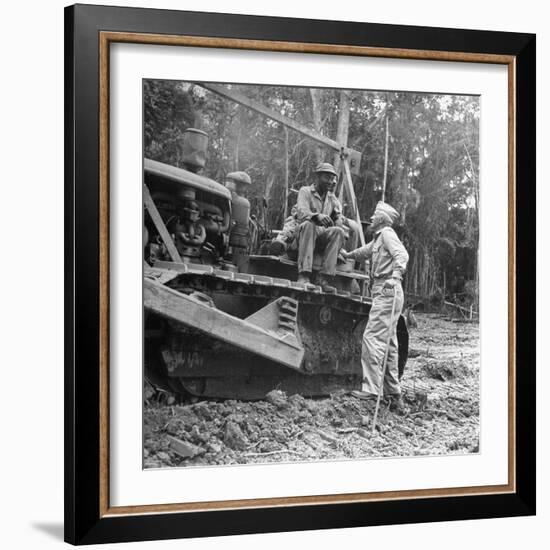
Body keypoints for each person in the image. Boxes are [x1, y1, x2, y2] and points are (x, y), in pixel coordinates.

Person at [341, 201, 409, 414]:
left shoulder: (387, 234)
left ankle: (371, 389)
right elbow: (366, 251)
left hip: (387, 288)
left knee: (372, 338)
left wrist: (395, 276)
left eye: (373, 216)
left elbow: (402, 255)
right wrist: (349, 255)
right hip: (386, 290)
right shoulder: (379, 238)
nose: (370, 219)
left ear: (381, 219)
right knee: (389, 344)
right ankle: (393, 394)